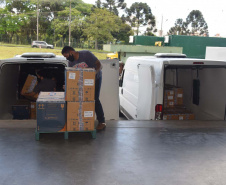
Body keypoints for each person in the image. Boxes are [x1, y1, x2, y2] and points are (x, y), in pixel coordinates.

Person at [61, 46, 106, 130]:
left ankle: (102, 122)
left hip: (95, 78)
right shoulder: (71, 63)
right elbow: (72, 75)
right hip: (82, 82)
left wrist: (93, 75)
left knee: (95, 98)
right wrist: (67, 85)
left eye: (66, 56)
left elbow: (99, 64)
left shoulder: (86, 54)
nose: (67, 58)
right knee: (81, 99)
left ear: (71, 52)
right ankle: (82, 120)